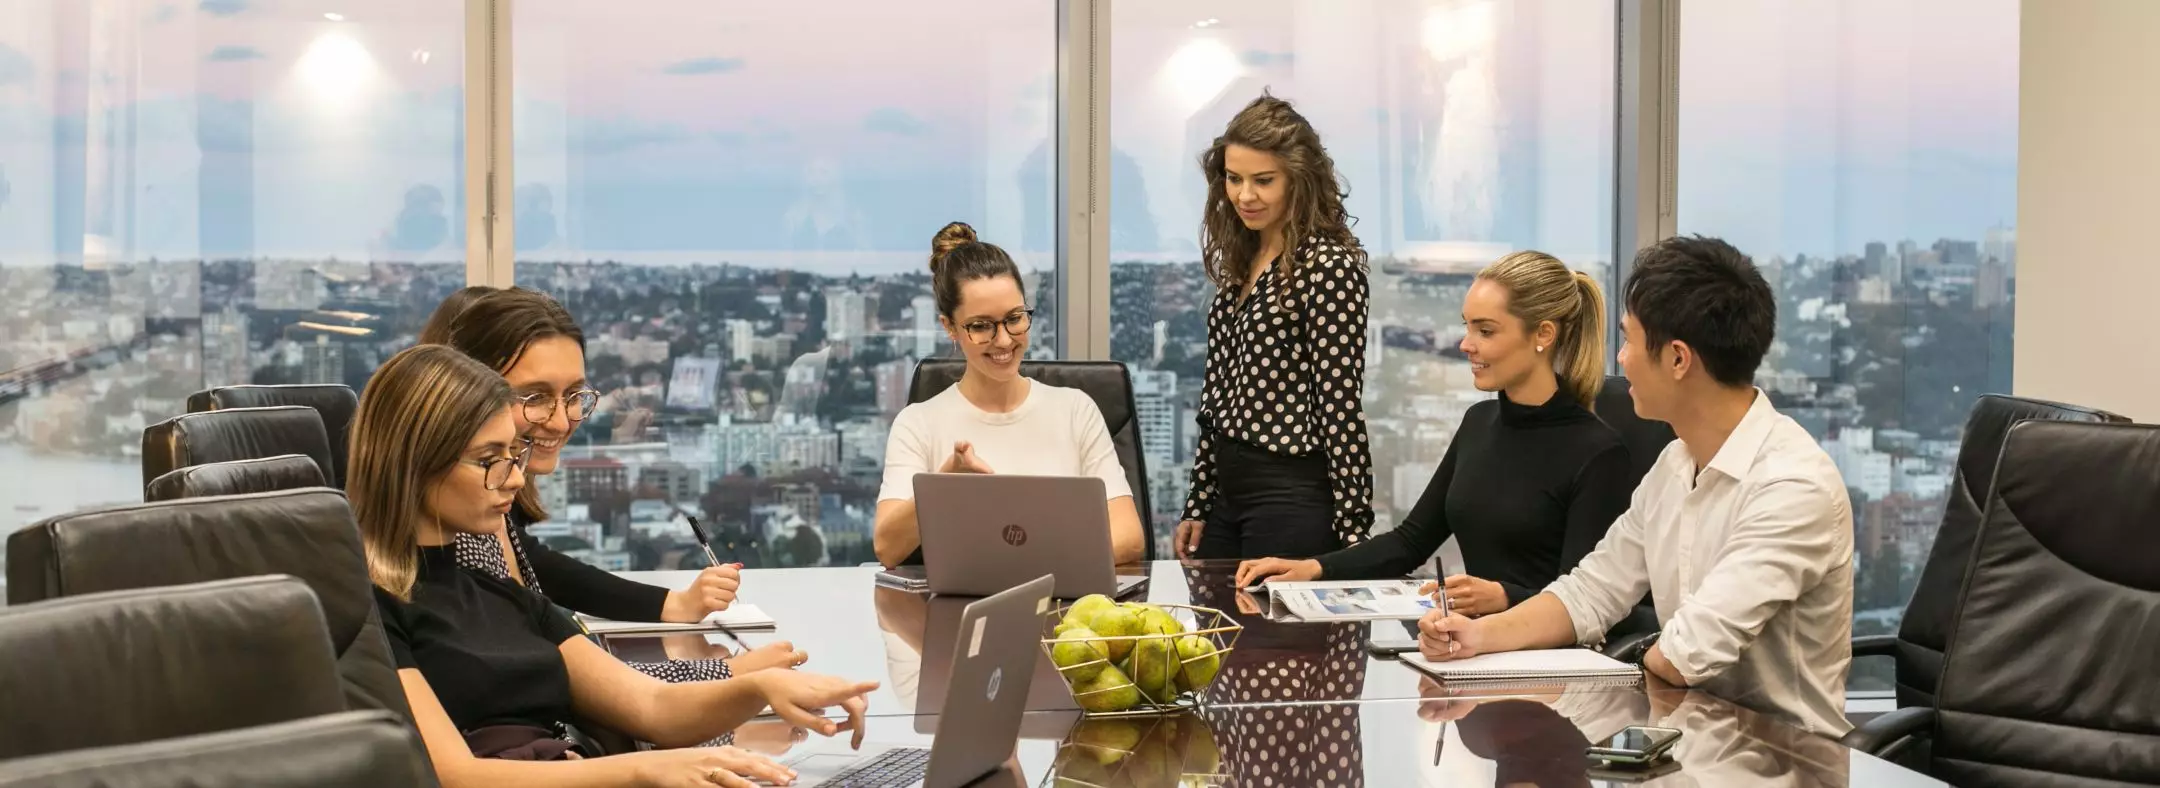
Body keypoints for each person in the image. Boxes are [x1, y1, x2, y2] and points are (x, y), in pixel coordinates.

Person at [350, 344, 878, 784]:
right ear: (413, 463)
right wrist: (641, 770)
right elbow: (457, 776)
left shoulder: (494, 586)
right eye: (490, 461)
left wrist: (761, 689)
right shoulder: (368, 605)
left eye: (514, 455)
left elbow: (652, 708)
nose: (514, 478)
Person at [1417, 236, 1855, 736]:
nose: (1619, 361)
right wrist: (1474, 638)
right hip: (1689, 741)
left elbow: (1682, 656)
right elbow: (1590, 592)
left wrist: (1625, 652)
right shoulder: (1675, 463)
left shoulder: (1791, 487)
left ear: (1677, 359)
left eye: (1627, 341)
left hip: (1782, 760)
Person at [1236, 252, 1633, 623]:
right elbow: (1410, 542)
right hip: (1469, 644)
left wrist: (1505, 596)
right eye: (1467, 326)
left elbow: (1591, 602)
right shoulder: (1479, 421)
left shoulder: (1597, 453)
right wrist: (1312, 568)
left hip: (1549, 667)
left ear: (1542, 334)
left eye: (1486, 330)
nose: (1466, 344)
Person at [427, 287, 801, 681]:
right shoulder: (455, 528)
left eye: (574, 395)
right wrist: (724, 675)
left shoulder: (488, 517)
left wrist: (676, 612)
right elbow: (553, 683)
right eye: (535, 397)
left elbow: (551, 644)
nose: (560, 421)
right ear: (463, 391)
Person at [872, 222, 1146, 568]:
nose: (1003, 340)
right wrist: (945, 484)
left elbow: (1129, 536)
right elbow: (887, 547)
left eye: (1014, 319)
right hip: (958, 617)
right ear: (950, 327)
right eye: (981, 326)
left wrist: (1027, 563)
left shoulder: (1075, 410)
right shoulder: (918, 423)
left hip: (1062, 611)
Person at [1173, 93, 1374, 561]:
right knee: (1213, 631)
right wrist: (1199, 501)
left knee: (1272, 634)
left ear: (1298, 181)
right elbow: (1217, 395)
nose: (1245, 195)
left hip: (1291, 494)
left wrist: (1353, 537)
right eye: (1234, 178)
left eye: (1263, 180)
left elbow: (1339, 403)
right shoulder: (1243, 261)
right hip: (1229, 493)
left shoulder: (1328, 266)